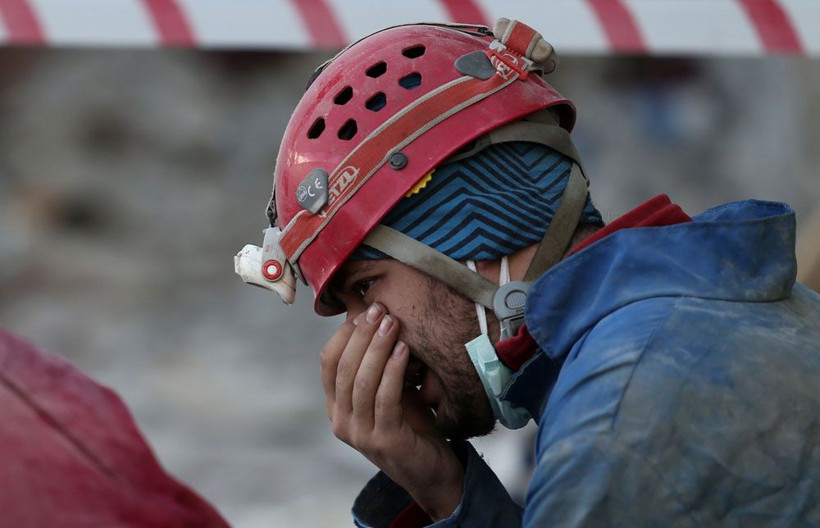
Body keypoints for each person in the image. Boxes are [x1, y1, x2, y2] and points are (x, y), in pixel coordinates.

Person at [235, 17, 820, 527]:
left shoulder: (615, 421)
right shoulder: (709, 319)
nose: (360, 336)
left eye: (366, 287)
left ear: (474, 227)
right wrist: (443, 490)